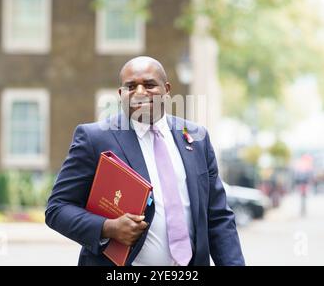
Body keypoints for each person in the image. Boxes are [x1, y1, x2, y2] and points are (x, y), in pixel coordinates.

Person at [45, 56, 245, 266]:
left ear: (167, 90)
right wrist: (108, 227)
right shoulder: (94, 138)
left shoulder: (196, 138)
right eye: (131, 86)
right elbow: (57, 208)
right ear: (121, 94)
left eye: (149, 85)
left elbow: (218, 217)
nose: (140, 93)